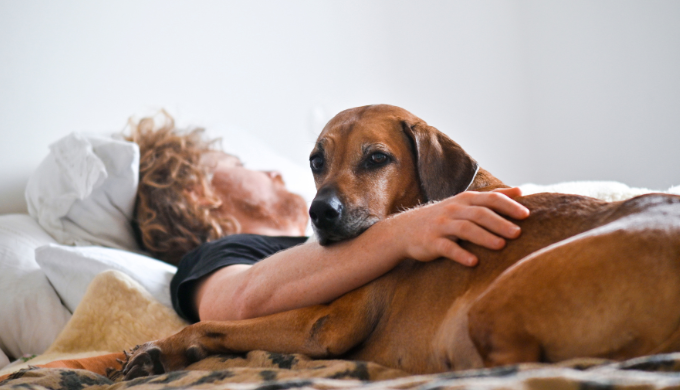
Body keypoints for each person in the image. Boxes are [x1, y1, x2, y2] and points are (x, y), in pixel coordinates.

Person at [126, 113, 530, 324]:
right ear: (200, 191)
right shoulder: (219, 254)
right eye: (238, 165)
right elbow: (235, 300)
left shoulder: (336, 232)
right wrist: (407, 230)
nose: (275, 173)